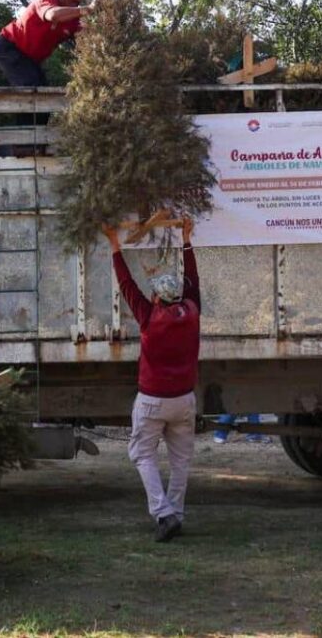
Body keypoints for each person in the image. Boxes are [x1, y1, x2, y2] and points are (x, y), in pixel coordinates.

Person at [103, 217, 200, 543]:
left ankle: (163, 513)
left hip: (153, 400)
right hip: (184, 399)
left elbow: (126, 284)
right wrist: (186, 240)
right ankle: (175, 514)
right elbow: (193, 283)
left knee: (142, 454)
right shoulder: (191, 313)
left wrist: (115, 244)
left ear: (158, 297)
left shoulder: (149, 318)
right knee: (181, 461)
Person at [0, 0, 91, 88]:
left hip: (31, 58)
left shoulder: (73, 20)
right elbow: (53, 15)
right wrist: (87, 9)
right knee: (31, 88)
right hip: (10, 47)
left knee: (43, 90)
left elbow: (86, 39)